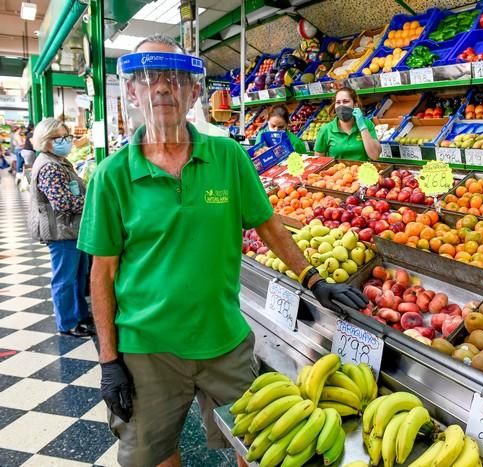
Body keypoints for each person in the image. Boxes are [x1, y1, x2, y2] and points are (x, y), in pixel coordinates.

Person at [78, 34, 367, 467]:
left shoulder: (228, 156)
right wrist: (108, 360)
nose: (161, 87)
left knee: (257, 446)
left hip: (225, 340)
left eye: (174, 78)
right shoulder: (111, 176)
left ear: (194, 91)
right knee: (152, 456)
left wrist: (313, 278)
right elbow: (101, 273)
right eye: (148, 78)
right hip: (147, 349)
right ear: (133, 92)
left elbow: (269, 224)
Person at [28, 118, 93, 338]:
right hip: (62, 231)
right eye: (58, 138)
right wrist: (93, 200)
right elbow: (63, 203)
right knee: (65, 278)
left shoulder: (59, 161)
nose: (65, 142)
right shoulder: (49, 166)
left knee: (78, 275)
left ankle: (80, 315)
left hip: (72, 229)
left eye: (67, 137)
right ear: (45, 141)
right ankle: (67, 323)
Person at [314, 87, 381, 161]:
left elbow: (375, 156)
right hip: (338, 171)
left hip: (363, 171)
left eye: (345, 101)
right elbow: (319, 161)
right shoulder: (326, 129)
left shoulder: (367, 124)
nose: (341, 106)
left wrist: (362, 127)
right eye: (338, 102)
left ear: (355, 105)